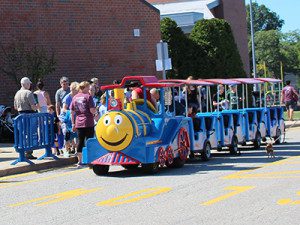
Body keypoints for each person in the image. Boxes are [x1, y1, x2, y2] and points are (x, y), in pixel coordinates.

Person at [70, 81, 96, 168]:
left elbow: (72, 112)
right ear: (84, 88)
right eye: (88, 87)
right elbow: (92, 110)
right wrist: (96, 112)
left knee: (80, 142)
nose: (89, 89)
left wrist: (73, 123)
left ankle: (80, 161)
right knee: (89, 141)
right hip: (88, 122)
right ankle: (90, 160)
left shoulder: (74, 98)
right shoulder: (88, 97)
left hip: (79, 122)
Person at [14, 77, 38, 159]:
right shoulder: (29, 93)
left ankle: (22, 151)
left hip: (20, 115)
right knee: (30, 134)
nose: (30, 85)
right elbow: (33, 107)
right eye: (29, 84)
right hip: (29, 115)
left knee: (23, 134)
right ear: (27, 84)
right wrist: (37, 106)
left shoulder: (17, 93)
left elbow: (15, 107)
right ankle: (28, 152)